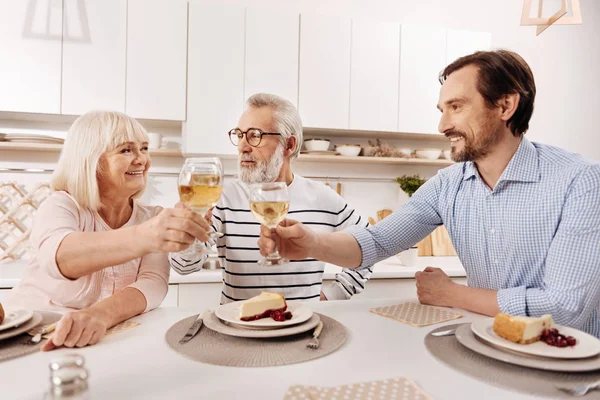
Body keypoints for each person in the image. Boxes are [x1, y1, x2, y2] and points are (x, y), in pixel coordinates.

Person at [257, 50, 600, 337]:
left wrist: (453, 295)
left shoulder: (579, 180)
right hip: (492, 348)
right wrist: (311, 244)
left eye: (457, 106)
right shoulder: (447, 185)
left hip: (566, 372)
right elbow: (376, 243)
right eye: (442, 110)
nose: (442, 126)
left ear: (505, 105)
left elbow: (565, 307)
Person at [4, 111, 211, 350]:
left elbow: (153, 282)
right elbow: (60, 257)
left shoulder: (151, 216)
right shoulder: (62, 205)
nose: (141, 159)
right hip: (25, 339)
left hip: (92, 340)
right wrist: (149, 235)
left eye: (144, 148)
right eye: (126, 150)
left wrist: (100, 315)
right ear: (91, 159)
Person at [169, 93, 373, 303]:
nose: (242, 146)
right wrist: (188, 235)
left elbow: (370, 246)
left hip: (304, 328)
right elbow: (183, 266)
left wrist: (331, 296)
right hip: (238, 328)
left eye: (255, 135)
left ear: (289, 145)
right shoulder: (221, 197)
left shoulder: (324, 198)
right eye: (239, 135)